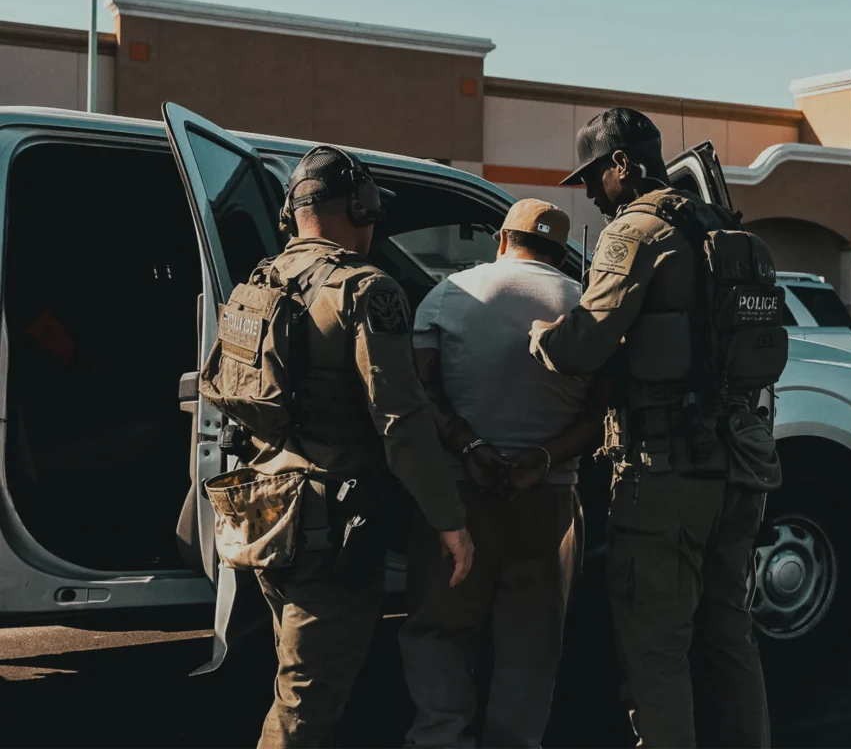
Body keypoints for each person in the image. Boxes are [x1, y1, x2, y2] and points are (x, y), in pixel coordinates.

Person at [206, 145, 474, 749]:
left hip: (265, 508)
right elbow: (401, 421)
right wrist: (448, 519)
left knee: (296, 673)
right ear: (360, 207)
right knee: (307, 699)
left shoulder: (260, 281)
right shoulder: (366, 288)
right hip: (330, 522)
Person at [528, 108, 776, 748]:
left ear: (623, 164)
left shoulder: (634, 232)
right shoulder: (724, 227)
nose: (588, 191)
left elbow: (583, 345)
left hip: (665, 474)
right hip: (741, 464)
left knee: (655, 651)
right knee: (730, 638)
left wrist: (542, 337)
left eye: (592, 176)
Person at [399, 199, 603, 748]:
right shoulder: (586, 306)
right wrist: (543, 459)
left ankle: (439, 737)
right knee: (532, 642)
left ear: (502, 239)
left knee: (440, 627)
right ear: (560, 252)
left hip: (460, 496)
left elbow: (419, 392)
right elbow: (601, 413)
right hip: (549, 501)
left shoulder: (448, 294)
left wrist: (470, 446)